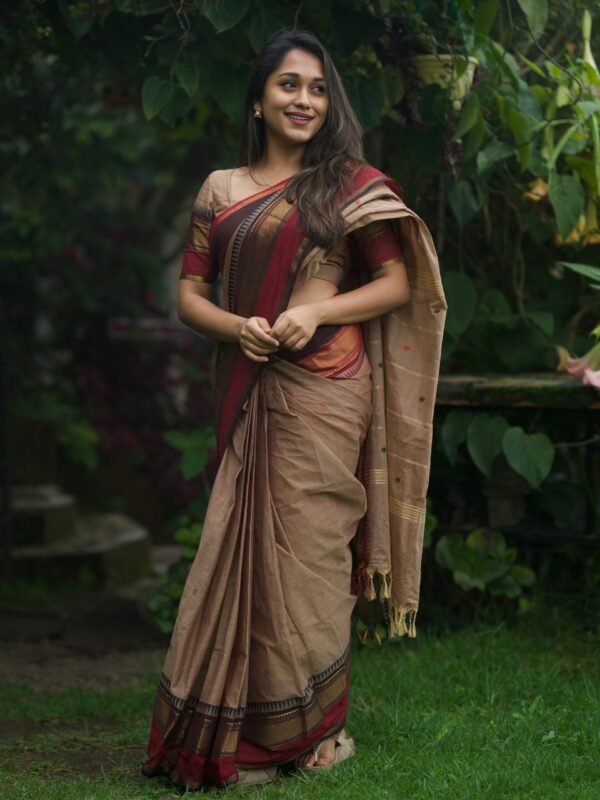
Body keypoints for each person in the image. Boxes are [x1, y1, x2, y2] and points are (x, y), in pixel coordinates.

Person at [141, 29, 446, 790]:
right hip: (250, 381)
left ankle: (319, 732)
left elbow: (397, 284)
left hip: (327, 389)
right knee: (238, 555)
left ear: (329, 102)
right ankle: (242, 727)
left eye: (316, 88)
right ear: (258, 100)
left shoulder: (349, 186)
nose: (303, 99)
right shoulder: (221, 188)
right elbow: (188, 296)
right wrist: (236, 327)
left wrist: (317, 311)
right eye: (287, 85)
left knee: (311, 558)